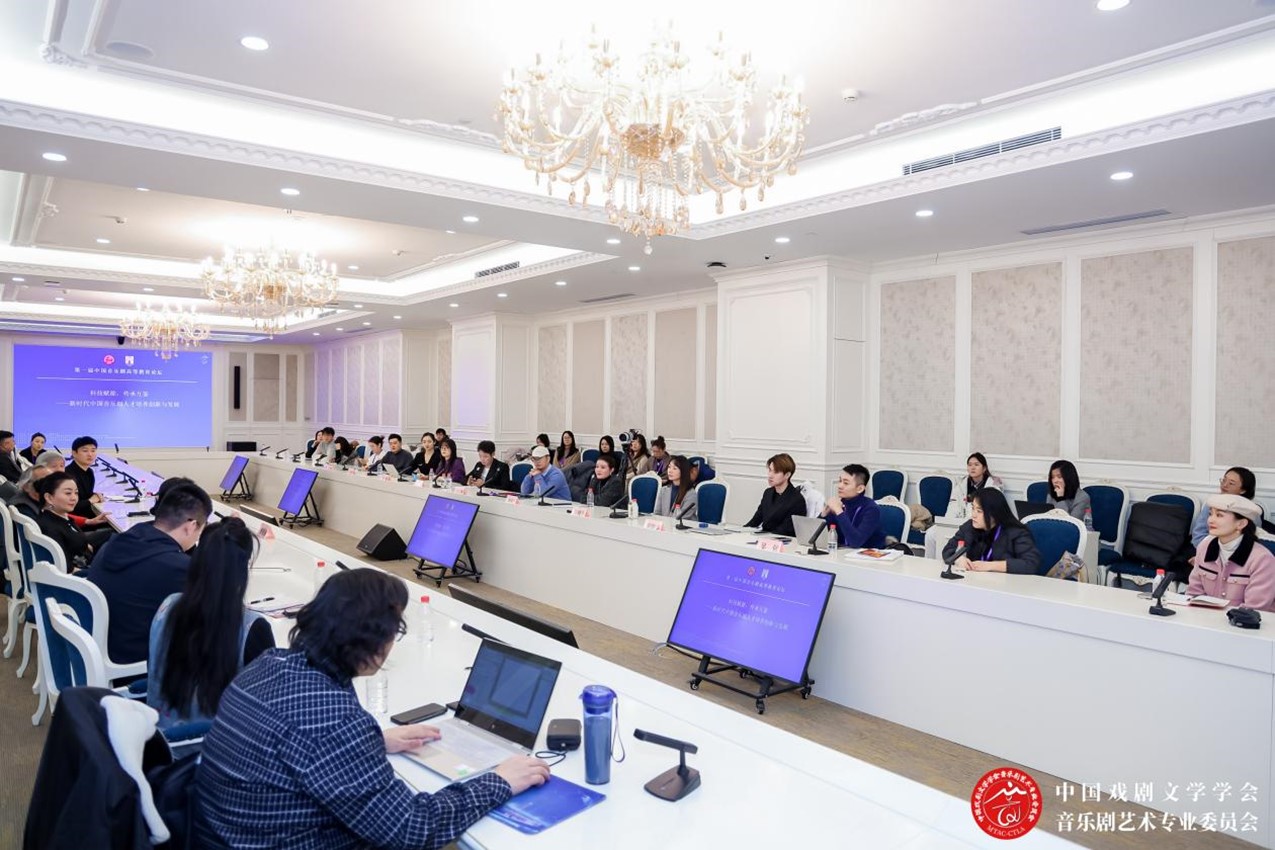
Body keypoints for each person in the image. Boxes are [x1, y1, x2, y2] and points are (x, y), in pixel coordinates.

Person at [195, 569, 550, 848]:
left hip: (223, 833)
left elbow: (296, 744)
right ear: (372, 640)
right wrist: (500, 781)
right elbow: (411, 829)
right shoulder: (333, 721)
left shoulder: (270, 663)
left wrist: (374, 741)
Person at [148, 516, 275, 732]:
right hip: (219, 745)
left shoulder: (168, 606)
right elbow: (269, 705)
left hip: (159, 735)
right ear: (243, 568)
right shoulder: (252, 628)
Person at [82, 482, 211, 665]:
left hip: (99, 648)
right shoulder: (178, 568)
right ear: (191, 526)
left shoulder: (113, 544)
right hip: (136, 663)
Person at [1187, 494, 1275, 611]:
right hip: (1205, 618)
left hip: (1245, 621)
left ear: (1241, 524)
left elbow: (1255, 608)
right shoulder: (1205, 546)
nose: (1210, 520)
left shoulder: (1262, 559)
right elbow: (1193, 593)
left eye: (1219, 515)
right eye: (1210, 514)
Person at [941, 488, 1041, 574]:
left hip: (1005, 585)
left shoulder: (1016, 532)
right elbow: (947, 550)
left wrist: (990, 566)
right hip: (973, 581)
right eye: (973, 509)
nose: (973, 515)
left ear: (994, 513)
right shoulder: (969, 527)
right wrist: (958, 559)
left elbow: (1031, 563)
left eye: (979, 511)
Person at [34, 472, 97, 569]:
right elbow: (66, 567)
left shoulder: (61, 517)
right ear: (49, 497)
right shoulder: (50, 527)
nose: (74, 498)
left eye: (76, 493)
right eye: (68, 493)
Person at [1192, 467, 1260, 547]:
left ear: (1243, 490)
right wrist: (1206, 551)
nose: (1224, 485)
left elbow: (1253, 539)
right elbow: (1198, 535)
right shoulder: (1213, 503)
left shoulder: (1250, 511)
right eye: (1224, 480)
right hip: (1208, 548)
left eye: (1231, 483)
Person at [823, 464, 885, 548]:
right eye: (840, 481)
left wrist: (839, 511)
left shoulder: (871, 509)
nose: (840, 486)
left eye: (846, 483)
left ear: (860, 489)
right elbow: (815, 538)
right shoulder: (839, 503)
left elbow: (855, 542)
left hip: (866, 554)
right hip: (840, 553)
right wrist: (823, 515)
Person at [743, 453, 806, 536]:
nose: (770, 475)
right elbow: (755, 520)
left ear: (787, 475)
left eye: (776, 472)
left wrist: (762, 537)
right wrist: (740, 532)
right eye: (770, 470)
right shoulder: (768, 493)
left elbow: (785, 530)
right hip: (765, 538)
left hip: (782, 541)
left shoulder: (797, 500)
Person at [65, 436, 103, 520]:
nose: (90, 454)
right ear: (74, 453)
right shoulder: (67, 475)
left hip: (87, 516)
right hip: (77, 521)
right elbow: (68, 507)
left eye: (93, 450)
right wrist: (90, 500)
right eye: (85, 451)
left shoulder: (89, 471)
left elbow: (85, 495)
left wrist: (96, 496)